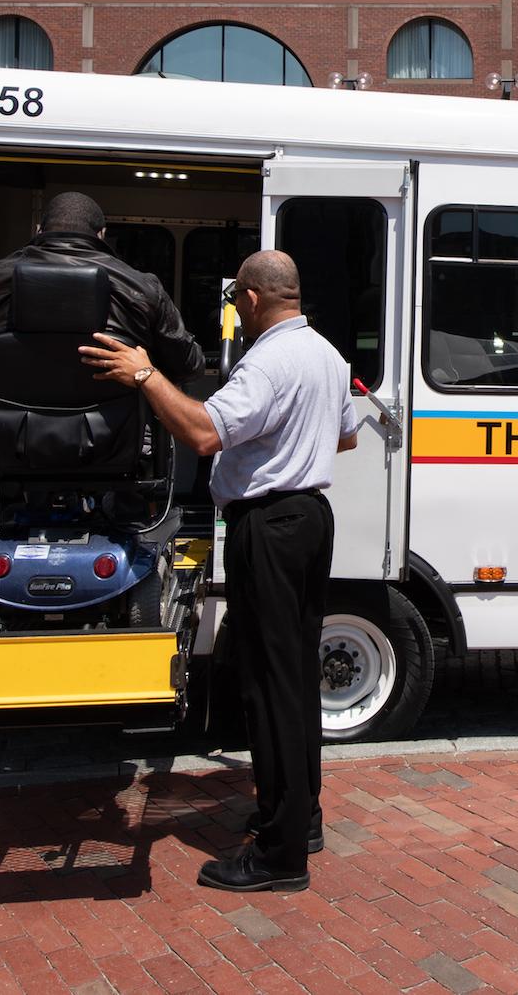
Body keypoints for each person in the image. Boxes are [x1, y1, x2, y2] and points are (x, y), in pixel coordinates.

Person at [81, 250, 355, 894]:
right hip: (311, 517)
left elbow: (203, 434)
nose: (235, 307)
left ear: (254, 299)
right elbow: (344, 436)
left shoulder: (268, 359)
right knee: (292, 677)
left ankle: (281, 855)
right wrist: (290, 434)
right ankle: (300, 817)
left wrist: (145, 374)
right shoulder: (325, 354)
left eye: (236, 298)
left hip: (272, 525)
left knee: (270, 683)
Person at [0, 190, 202, 407]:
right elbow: (187, 365)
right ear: (102, 234)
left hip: (0, 441)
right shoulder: (143, 287)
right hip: (114, 446)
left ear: (39, 229)